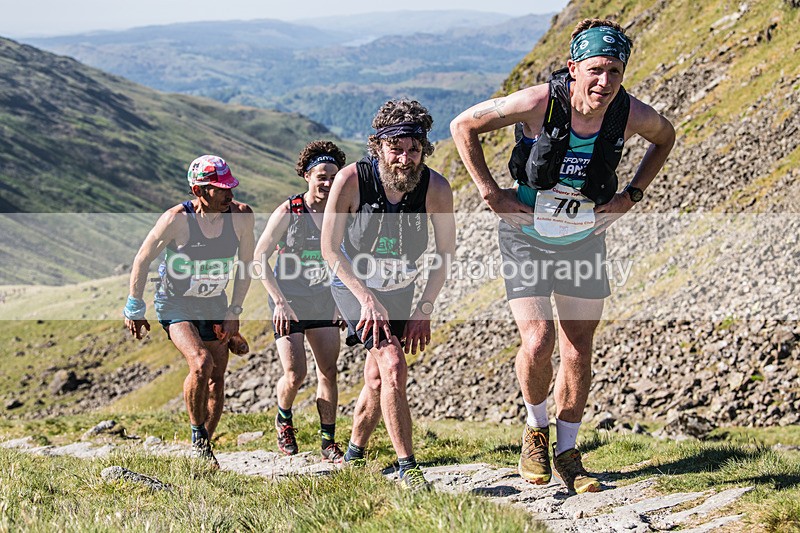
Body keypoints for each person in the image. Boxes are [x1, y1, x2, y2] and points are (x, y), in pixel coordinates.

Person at [450, 19, 675, 493]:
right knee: (538, 339)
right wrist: (491, 193)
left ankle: (568, 453)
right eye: (595, 70)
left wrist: (631, 195)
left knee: (578, 347)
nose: (605, 83)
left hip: (583, 238)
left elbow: (665, 138)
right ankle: (535, 430)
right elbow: (463, 125)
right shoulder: (538, 102)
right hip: (526, 233)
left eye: (615, 72)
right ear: (573, 68)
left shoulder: (629, 112)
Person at [321, 100, 456, 490]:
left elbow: (445, 254)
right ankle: (408, 467)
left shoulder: (435, 188)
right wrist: (366, 298)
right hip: (352, 285)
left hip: (401, 287)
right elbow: (330, 248)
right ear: (377, 146)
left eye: (414, 148)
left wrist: (424, 309)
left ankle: (353, 456)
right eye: (395, 147)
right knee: (393, 363)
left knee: (378, 378)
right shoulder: (352, 180)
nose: (405, 158)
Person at [123, 155, 255, 466]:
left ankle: (203, 449)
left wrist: (234, 312)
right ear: (199, 190)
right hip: (176, 302)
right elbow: (142, 259)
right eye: (221, 189)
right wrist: (134, 305)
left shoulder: (241, 216)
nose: (230, 194)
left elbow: (246, 266)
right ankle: (198, 436)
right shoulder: (176, 220)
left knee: (216, 378)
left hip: (215, 303)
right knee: (200, 361)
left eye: (230, 186)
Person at [253, 140, 347, 462]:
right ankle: (284, 418)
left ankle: (328, 442)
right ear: (307, 176)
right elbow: (259, 257)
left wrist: (342, 301)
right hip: (289, 300)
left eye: (334, 177)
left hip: (324, 300)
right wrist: (278, 301)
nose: (328, 183)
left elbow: (350, 259)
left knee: (328, 372)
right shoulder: (289, 211)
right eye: (321, 176)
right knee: (295, 373)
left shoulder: (342, 212)